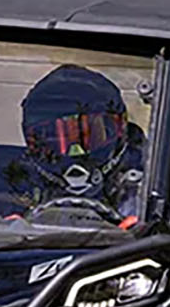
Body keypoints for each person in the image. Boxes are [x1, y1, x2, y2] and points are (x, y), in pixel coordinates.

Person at [18, 65, 146, 224]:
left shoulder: (148, 179)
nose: (76, 152)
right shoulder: (20, 179)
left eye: (91, 136)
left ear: (119, 130)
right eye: (58, 140)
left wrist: (139, 230)